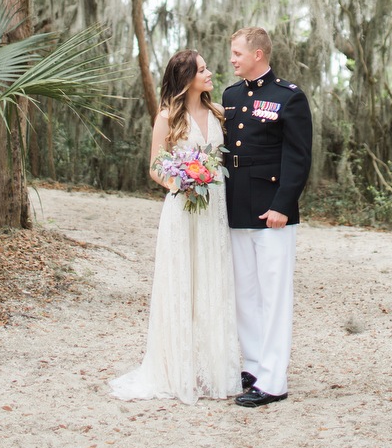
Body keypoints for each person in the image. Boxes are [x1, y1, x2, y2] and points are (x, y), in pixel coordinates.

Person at [109, 50, 241, 405]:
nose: (210, 72)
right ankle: (175, 370)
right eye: (202, 69)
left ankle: (214, 370)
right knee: (182, 284)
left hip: (214, 210)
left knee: (211, 283)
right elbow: (155, 167)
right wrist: (180, 181)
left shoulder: (218, 113)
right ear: (186, 78)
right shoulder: (167, 117)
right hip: (182, 210)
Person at [222, 27, 313, 407]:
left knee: (273, 296)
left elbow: (298, 157)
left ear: (258, 54)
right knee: (245, 294)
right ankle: (254, 366)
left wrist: (282, 204)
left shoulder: (288, 97)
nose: (232, 59)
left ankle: (274, 381)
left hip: (272, 210)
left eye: (237, 53)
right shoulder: (229, 95)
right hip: (237, 205)